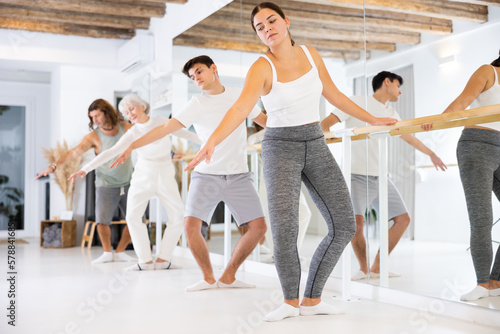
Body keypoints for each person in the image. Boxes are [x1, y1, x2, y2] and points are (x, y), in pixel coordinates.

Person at [184, 2, 397, 322]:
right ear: (258, 34)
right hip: (279, 146)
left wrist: (373, 120)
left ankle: (312, 298)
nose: (267, 28)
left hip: (315, 141)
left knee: (344, 224)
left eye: (271, 21)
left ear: (286, 21)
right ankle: (289, 300)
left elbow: (336, 96)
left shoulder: (311, 54)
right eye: (259, 26)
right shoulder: (261, 66)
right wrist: (211, 142)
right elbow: (241, 109)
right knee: (285, 230)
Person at [110, 56, 268, 288]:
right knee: (189, 226)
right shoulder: (196, 103)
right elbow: (164, 129)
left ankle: (229, 276)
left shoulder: (238, 94)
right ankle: (207, 277)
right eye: (192, 77)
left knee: (259, 228)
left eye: (199, 72)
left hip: (239, 175)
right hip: (206, 174)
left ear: (214, 68)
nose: (197, 79)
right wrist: (131, 145)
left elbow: (264, 120)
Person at [321, 71, 447, 281]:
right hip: (354, 174)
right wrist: (329, 140)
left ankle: (378, 266)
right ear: (387, 82)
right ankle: (363, 269)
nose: (400, 91)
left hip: (380, 176)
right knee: (356, 224)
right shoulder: (356, 102)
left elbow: (408, 137)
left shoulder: (393, 113)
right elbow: (325, 125)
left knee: (403, 219)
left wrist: (431, 153)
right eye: (398, 85)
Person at [69, 94, 201, 271]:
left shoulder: (162, 121)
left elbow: (185, 134)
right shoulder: (132, 132)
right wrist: (85, 169)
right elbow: (111, 151)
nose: (130, 114)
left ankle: (164, 260)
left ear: (142, 107)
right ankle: (145, 260)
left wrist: (211, 142)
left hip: (164, 173)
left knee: (177, 216)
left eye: (132, 108)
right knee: (132, 216)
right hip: (143, 175)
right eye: (126, 112)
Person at [423, 51, 500, 301]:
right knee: (482, 218)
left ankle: (495, 280)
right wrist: (437, 121)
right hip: (477, 146)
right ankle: (481, 283)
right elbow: (461, 103)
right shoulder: (489, 71)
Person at [36, 99, 135, 264]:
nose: (94, 120)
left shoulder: (126, 127)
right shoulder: (93, 137)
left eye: (97, 115)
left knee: (135, 220)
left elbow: (148, 138)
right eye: (92, 117)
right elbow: (74, 153)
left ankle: (120, 251)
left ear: (107, 112)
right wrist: (54, 166)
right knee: (102, 222)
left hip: (129, 182)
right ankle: (107, 252)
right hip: (106, 184)